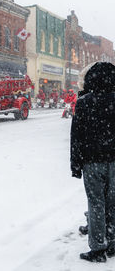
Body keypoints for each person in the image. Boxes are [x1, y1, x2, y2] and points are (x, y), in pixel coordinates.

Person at [71, 62, 115, 263]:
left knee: (96, 203)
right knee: (112, 203)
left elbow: (76, 136)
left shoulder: (84, 102)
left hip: (92, 162)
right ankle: (113, 242)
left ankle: (98, 249)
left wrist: (76, 164)